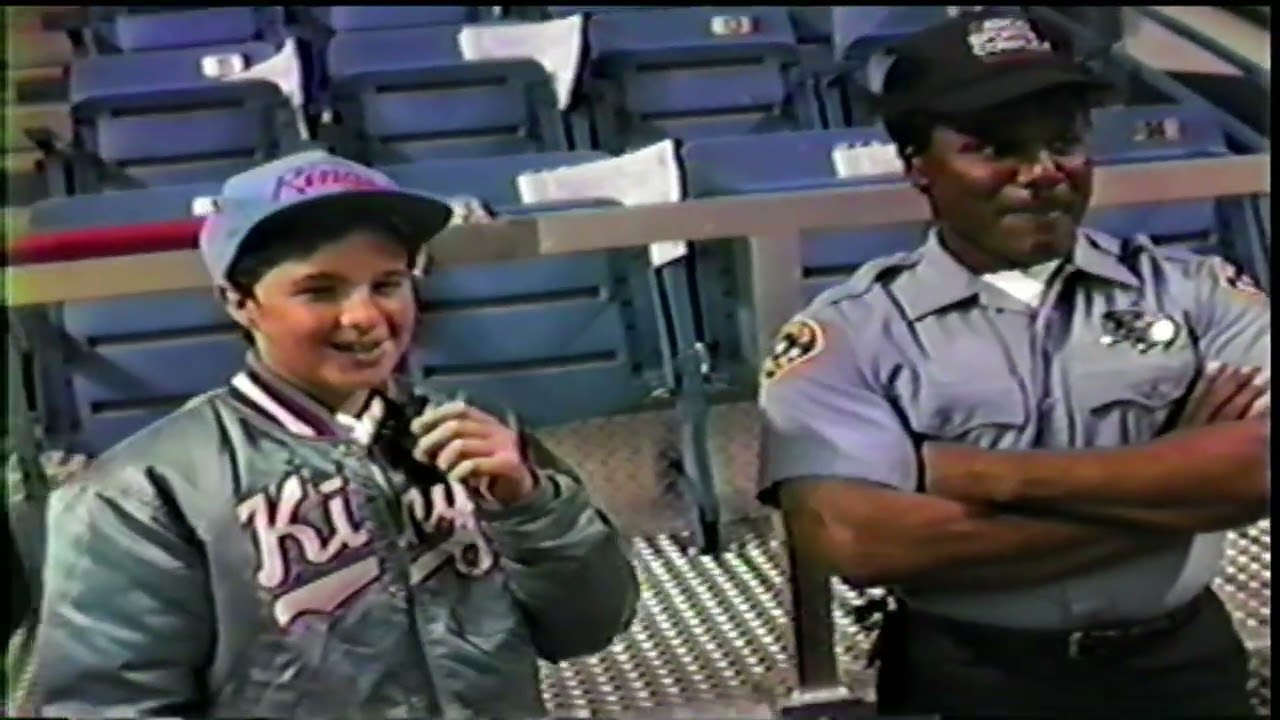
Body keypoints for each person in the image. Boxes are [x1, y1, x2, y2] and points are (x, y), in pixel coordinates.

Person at [758, 10, 1269, 718]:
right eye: (993, 148)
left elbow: (1264, 466)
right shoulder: (852, 331)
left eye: (1063, 142)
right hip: (972, 677)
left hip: (1178, 670)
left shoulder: (1194, 292)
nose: (1039, 173)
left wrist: (986, 474)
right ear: (918, 167)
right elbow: (854, 537)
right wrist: (1182, 487)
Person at [29, 150, 640, 718]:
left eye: (388, 283)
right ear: (240, 302)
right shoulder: (139, 494)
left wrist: (530, 504)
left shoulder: (476, 434)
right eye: (319, 290)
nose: (365, 317)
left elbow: (588, 627)